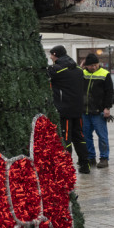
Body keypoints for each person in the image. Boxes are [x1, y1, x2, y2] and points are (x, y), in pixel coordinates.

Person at [47, 45, 89, 174]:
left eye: (51, 55)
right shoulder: (78, 69)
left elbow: (44, 75)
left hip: (64, 109)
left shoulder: (57, 69)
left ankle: (66, 167)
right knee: (79, 136)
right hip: (78, 109)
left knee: (66, 139)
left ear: (55, 54)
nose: (50, 57)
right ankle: (84, 164)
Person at [81, 54, 114, 168]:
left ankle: (104, 158)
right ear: (86, 66)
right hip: (85, 111)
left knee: (102, 136)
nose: (93, 67)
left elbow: (109, 92)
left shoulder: (105, 74)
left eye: (95, 65)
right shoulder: (82, 73)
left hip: (98, 111)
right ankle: (91, 158)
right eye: (91, 65)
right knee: (86, 136)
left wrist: (107, 108)